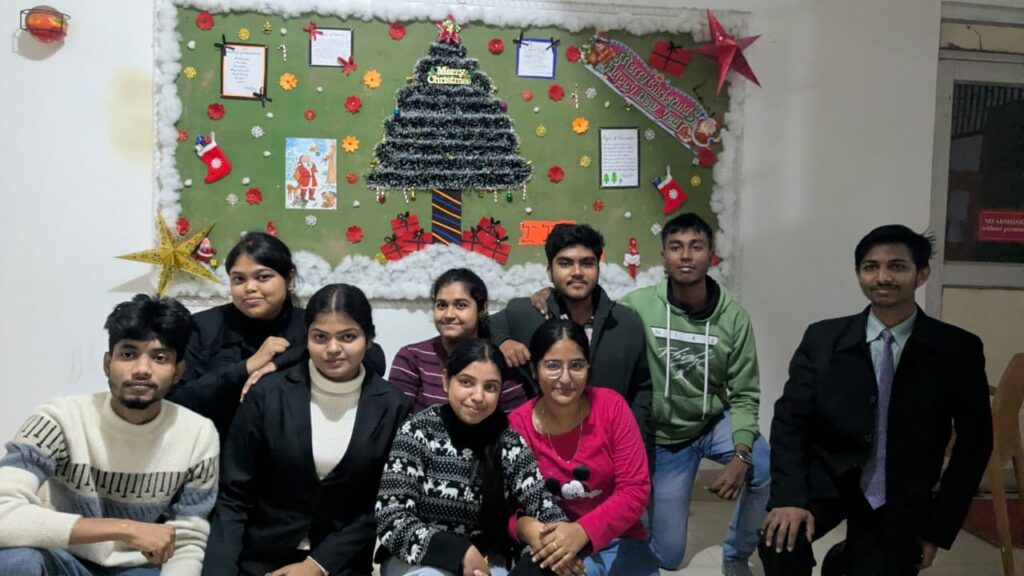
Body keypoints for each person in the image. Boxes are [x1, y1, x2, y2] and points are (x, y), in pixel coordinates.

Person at [759, 225, 993, 576]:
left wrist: (937, 528)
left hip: (900, 493)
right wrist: (788, 498)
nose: (883, 277)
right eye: (871, 267)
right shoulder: (823, 339)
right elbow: (790, 421)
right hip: (827, 480)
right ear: (859, 274)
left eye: (897, 266)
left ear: (922, 273)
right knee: (779, 541)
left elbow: (975, 444)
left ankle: (844, 559)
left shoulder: (957, 349)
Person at [0, 294, 219, 575]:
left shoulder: (198, 434)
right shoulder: (58, 419)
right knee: (17, 561)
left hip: (140, 569)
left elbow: (187, 539)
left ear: (178, 371)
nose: (142, 370)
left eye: (159, 358)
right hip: (68, 561)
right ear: (107, 363)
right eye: (128, 354)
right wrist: (124, 529)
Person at [202, 284, 409, 576]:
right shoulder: (268, 394)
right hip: (260, 559)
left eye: (347, 337)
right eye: (320, 337)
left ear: (369, 338)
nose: (333, 349)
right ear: (306, 338)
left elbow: (381, 503)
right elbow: (234, 495)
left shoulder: (393, 406)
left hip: (340, 565)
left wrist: (317, 566)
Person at [618, 213, 769, 576]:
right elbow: (590, 313)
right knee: (668, 557)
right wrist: (547, 296)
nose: (686, 255)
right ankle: (647, 513)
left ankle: (736, 553)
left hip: (711, 423)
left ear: (710, 254)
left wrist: (741, 455)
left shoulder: (734, 318)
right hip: (663, 439)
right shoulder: (637, 305)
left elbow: (745, 393)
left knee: (765, 465)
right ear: (664, 256)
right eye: (676, 247)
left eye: (696, 246)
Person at [375, 339, 576, 576]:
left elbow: (544, 506)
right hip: (418, 559)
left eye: (490, 387)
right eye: (466, 382)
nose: (478, 396)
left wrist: (557, 546)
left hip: (489, 560)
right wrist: (459, 552)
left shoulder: (509, 442)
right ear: (446, 380)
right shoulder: (418, 432)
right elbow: (391, 516)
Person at [168, 232, 385, 440]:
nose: (250, 287)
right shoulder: (204, 326)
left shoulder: (311, 326)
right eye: (239, 279)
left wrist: (279, 362)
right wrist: (247, 367)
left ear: (290, 280)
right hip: (217, 450)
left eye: (263, 277)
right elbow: (176, 399)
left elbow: (374, 359)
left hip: (297, 452)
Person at [508, 319, 658, 576]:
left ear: (588, 367)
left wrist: (582, 531)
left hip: (618, 536)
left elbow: (635, 489)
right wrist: (527, 528)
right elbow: (508, 505)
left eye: (576, 365)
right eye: (552, 366)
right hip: (550, 539)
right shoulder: (518, 424)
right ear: (534, 369)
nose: (565, 378)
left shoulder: (612, 407)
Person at [489, 223, 651, 444]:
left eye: (587, 263)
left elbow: (642, 390)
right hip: (541, 447)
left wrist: (632, 439)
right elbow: (483, 325)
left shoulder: (626, 323)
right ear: (550, 271)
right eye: (565, 263)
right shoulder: (526, 313)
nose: (577, 272)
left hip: (608, 448)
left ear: (598, 268)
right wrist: (503, 341)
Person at [390, 268, 528, 414]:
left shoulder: (498, 360)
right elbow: (397, 419)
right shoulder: (412, 358)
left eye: (460, 305)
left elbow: (514, 421)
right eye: (441, 305)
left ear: (482, 309)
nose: (449, 314)